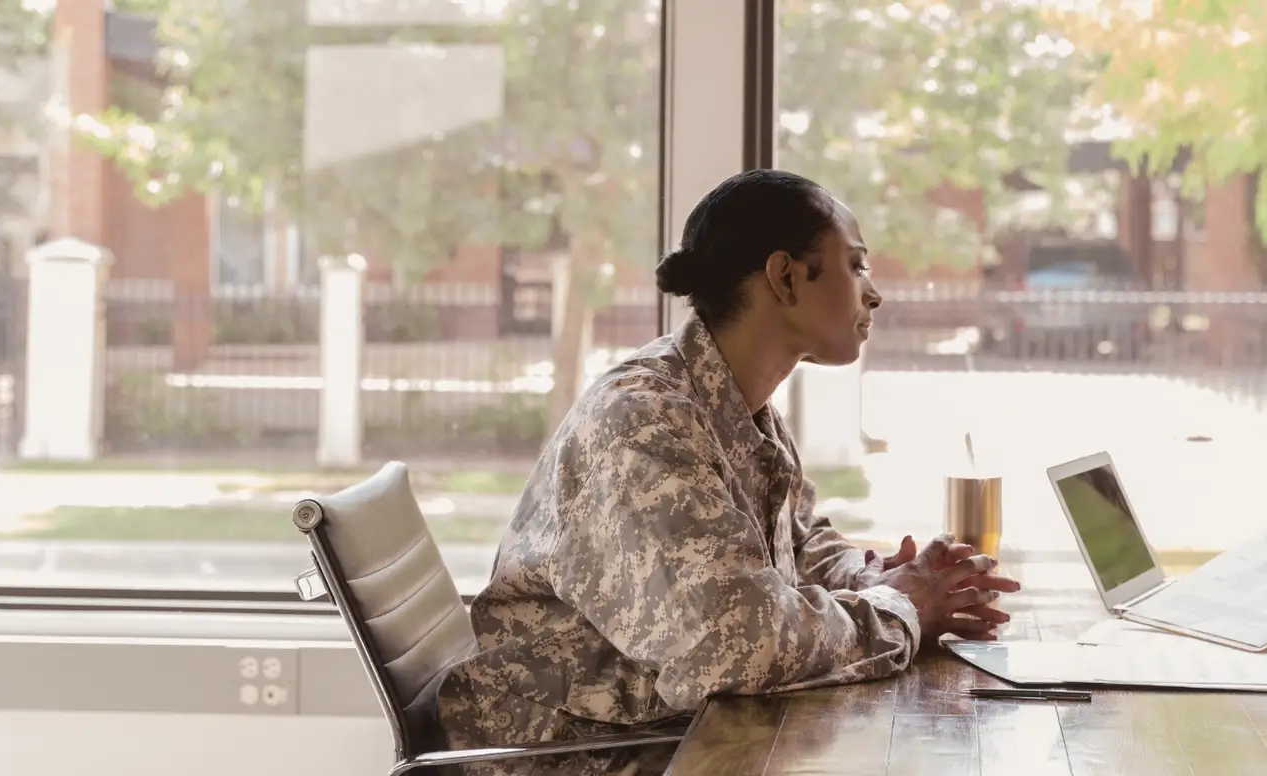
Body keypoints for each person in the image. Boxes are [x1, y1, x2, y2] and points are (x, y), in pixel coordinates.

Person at [435, 169, 1019, 776]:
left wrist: (876, 574)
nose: (873, 294)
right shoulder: (644, 424)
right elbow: (733, 646)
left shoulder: (734, 400)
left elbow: (797, 542)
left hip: (666, 735)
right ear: (784, 277)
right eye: (855, 265)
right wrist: (899, 610)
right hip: (571, 757)